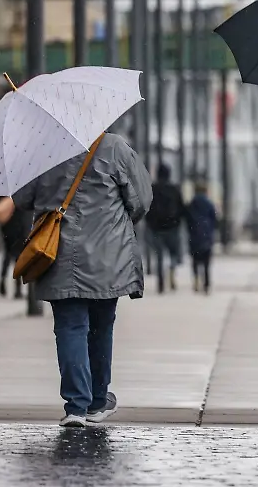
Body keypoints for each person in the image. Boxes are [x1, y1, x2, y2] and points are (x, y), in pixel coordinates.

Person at [13, 133, 153, 428]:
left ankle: (76, 405)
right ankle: (98, 401)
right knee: (101, 326)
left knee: (69, 327)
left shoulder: (43, 149)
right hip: (108, 255)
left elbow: (22, 198)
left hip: (58, 254)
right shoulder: (114, 147)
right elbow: (141, 200)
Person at [147, 164, 184, 293]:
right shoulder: (174, 189)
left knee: (159, 256)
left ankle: (161, 281)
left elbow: (147, 208)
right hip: (172, 227)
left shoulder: (152, 189)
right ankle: (172, 270)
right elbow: (181, 208)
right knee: (173, 253)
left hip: (156, 228)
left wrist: (150, 223)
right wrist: (178, 221)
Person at [0, 196, 29, 299]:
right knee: (18, 258)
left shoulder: (1, 192)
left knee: (8, 254)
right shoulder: (19, 191)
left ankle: (2, 283)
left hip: (6, 227)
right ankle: (17, 289)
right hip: (18, 226)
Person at [184, 181, 218, 294]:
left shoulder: (191, 204)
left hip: (194, 235)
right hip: (206, 235)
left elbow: (187, 219)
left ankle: (196, 279)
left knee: (195, 260)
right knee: (206, 262)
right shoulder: (209, 203)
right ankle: (206, 283)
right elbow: (214, 219)